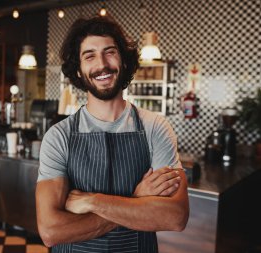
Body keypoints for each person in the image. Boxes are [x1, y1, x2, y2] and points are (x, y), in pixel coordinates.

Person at [36, 16, 189, 252]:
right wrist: (136, 200)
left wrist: (92, 201)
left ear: (124, 62)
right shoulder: (59, 136)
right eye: (89, 56)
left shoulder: (155, 127)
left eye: (110, 52)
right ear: (78, 69)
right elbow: (51, 231)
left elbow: (175, 217)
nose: (102, 64)